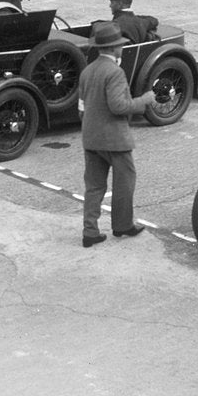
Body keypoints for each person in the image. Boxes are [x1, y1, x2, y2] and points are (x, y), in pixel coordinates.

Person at [80, 22, 157, 248]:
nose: (122, 48)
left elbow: (82, 104)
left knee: (94, 187)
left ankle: (90, 232)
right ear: (114, 48)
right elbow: (119, 106)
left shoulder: (88, 70)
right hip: (114, 139)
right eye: (120, 46)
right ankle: (122, 225)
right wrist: (144, 100)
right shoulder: (115, 72)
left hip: (91, 138)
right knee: (124, 183)